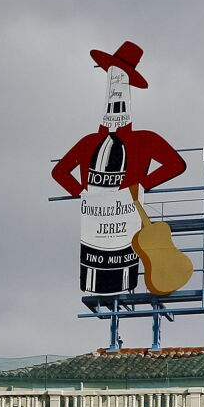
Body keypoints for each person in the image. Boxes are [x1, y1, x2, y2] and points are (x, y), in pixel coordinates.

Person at [49, 41, 187, 294]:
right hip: (94, 227)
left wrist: (142, 185)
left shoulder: (144, 139)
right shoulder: (90, 142)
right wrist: (83, 192)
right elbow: (59, 172)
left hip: (126, 226)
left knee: (125, 256)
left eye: (120, 82)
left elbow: (176, 164)